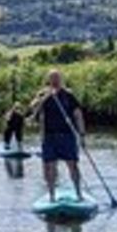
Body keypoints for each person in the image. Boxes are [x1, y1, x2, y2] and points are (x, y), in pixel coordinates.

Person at [30, 70, 86, 201]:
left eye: (57, 78)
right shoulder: (43, 94)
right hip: (49, 137)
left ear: (61, 79)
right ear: (48, 80)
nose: (55, 81)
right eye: (52, 79)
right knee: (50, 167)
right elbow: (33, 108)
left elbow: (78, 114)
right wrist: (45, 96)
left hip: (67, 136)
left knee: (72, 165)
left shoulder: (68, 95)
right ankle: (51, 196)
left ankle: (78, 193)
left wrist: (82, 135)